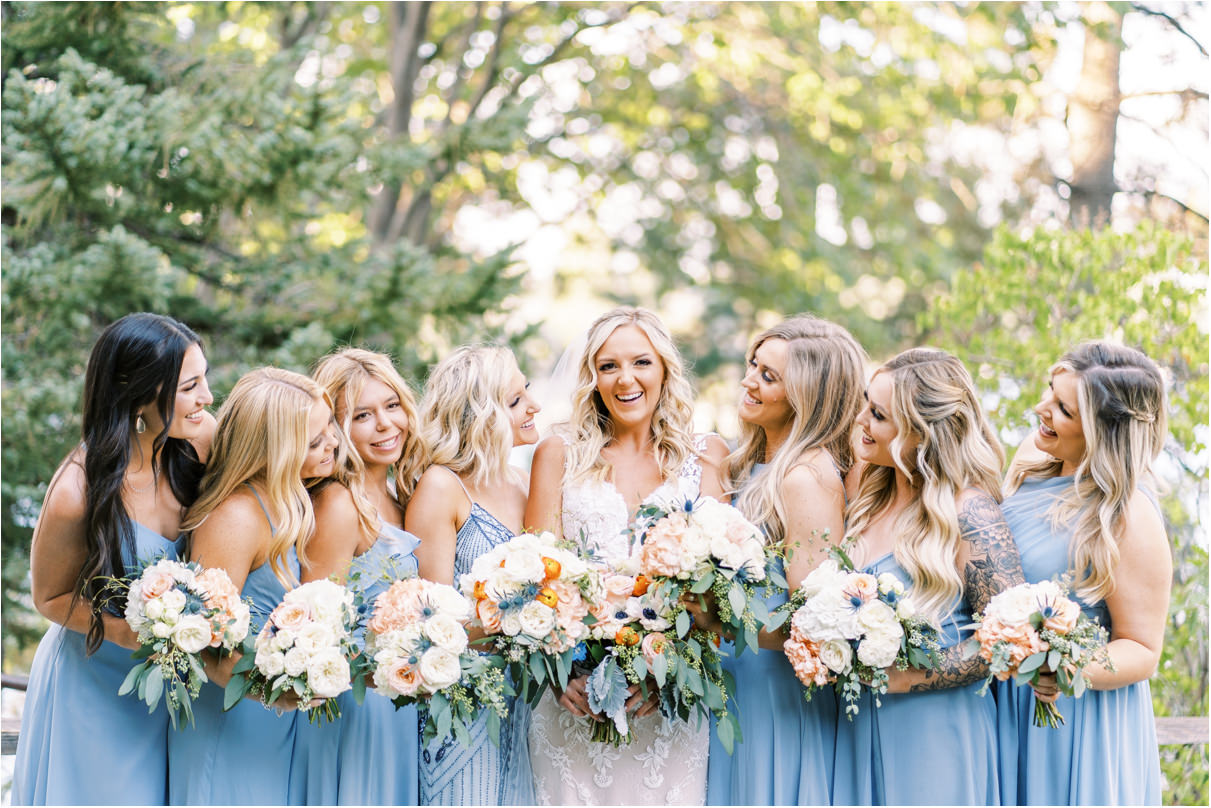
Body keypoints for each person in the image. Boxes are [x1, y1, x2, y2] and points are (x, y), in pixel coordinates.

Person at [525, 306, 729, 806]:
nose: (625, 379)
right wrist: (558, 676)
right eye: (609, 366)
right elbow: (535, 579)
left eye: (641, 362)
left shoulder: (706, 456)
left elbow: (717, 586)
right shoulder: (559, 452)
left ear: (664, 369)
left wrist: (669, 673)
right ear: (593, 377)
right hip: (573, 703)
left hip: (668, 706)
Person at [13, 313, 215, 806]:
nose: (207, 397)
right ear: (139, 394)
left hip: (171, 685)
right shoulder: (76, 491)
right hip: (95, 681)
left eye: (204, 378)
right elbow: (50, 596)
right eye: (190, 386)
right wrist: (129, 629)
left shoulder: (197, 441)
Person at [833, 348, 1025, 806]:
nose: (859, 419)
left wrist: (906, 676)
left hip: (936, 729)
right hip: (856, 723)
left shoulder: (970, 511)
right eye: (865, 402)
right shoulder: (868, 494)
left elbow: (1008, 638)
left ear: (920, 435)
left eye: (877, 414)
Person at [701, 314, 866, 806]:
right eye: (754, 365)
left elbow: (811, 628)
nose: (749, 380)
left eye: (769, 376)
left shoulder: (805, 480)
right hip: (734, 682)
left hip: (774, 696)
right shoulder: (750, 465)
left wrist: (715, 619)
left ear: (806, 398)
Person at [996, 341, 1169, 805]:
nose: (1041, 409)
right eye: (1049, 393)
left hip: (1072, 715)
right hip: (1002, 701)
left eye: (1062, 409)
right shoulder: (1030, 461)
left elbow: (1142, 648)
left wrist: (1064, 667)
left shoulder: (1127, 515)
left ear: (1103, 431)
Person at [167, 367, 339, 805]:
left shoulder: (288, 501)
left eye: (329, 428)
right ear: (274, 448)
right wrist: (288, 692)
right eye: (314, 441)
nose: (332, 444)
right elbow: (209, 645)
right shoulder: (237, 516)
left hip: (273, 721)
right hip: (233, 721)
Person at [289, 348, 426, 805]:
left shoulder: (401, 494)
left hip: (402, 704)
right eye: (363, 415)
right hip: (356, 709)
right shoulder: (338, 505)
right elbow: (318, 632)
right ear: (334, 430)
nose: (386, 425)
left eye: (392, 406)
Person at [406, 345, 541, 806]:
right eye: (516, 401)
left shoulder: (523, 484)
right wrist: (521, 623)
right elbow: (432, 623)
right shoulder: (442, 486)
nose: (533, 408)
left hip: (523, 702)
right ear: (481, 415)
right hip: (463, 706)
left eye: (529, 394)